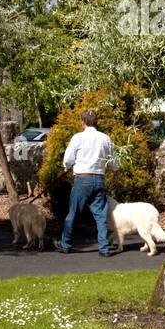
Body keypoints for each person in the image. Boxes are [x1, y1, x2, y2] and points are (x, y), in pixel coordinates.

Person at [58, 109, 118, 256]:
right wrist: (116, 171)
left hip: (82, 178)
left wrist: (67, 166)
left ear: (83, 122)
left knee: (73, 213)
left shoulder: (78, 138)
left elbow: (68, 158)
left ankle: (66, 244)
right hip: (99, 179)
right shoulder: (105, 138)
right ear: (96, 122)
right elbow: (115, 161)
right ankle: (104, 248)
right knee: (100, 215)